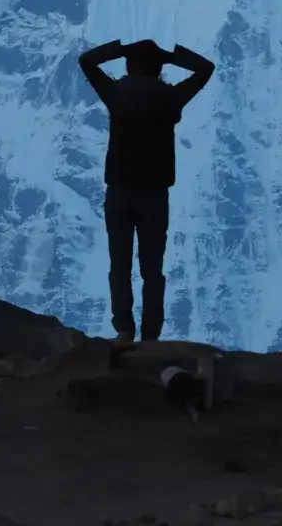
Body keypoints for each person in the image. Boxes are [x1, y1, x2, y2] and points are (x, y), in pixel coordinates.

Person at [78, 38, 216, 346]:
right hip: (154, 195)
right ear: (158, 68)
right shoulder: (170, 99)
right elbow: (206, 69)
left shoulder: (116, 95)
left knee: (120, 265)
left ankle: (124, 330)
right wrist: (171, 56)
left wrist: (120, 48)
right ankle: (151, 334)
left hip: (119, 192)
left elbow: (87, 61)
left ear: (130, 66)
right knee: (152, 269)